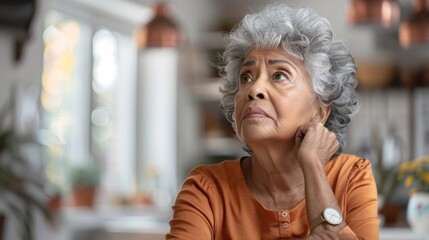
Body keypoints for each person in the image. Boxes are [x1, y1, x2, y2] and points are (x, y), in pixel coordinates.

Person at [167, 3, 379, 240]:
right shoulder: (206, 188)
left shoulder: (351, 177)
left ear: (319, 111)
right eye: (246, 77)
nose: (254, 88)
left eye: (279, 75)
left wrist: (313, 165)